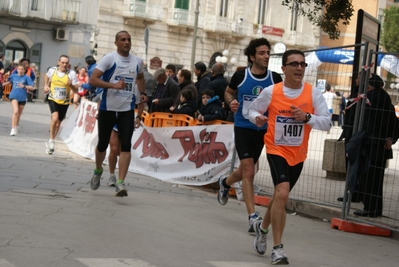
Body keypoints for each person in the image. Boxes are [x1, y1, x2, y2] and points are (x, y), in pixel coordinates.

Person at [248, 49, 330, 265]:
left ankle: (263, 229)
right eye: (294, 64)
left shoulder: (313, 93)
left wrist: (307, 117)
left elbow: (327, 122)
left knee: (278, 196)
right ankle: (278, 249)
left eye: (302, 64)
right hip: (276, 149)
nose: (299, 68)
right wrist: (257, 117)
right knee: (282, 193)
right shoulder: (271, 91)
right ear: (283, 69)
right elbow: (252, 110)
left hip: (298, 154)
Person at [217, 38, 283, 233]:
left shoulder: (275, 78)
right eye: (262, 53)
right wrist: (231, 103)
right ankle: (252, 216)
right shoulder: (241, 75)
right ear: (252, 56)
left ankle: (225, 182)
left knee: (246, 170)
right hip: (244, 127)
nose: (266, 56)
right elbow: (228, 93)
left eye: (268, 53)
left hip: (264, 131)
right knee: (249, 171)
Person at [89, 30, 147, 197]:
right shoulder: (110, 59)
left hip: (126, 111)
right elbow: (93, 80)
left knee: (126, 146)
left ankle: (120, 183)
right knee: (102, 144)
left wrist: (143, 93)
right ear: (116, 43)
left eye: (128, 39)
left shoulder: (137, 61)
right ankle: (98, 170)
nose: (126, 42)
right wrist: (114, 86)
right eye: (123, 40)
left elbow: (140, 77)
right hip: (108, 109)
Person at [350, 73, 399, 217]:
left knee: (368, 177)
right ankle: (375, 208)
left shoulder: (370, 99)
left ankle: (370, 208)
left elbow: (369, 123)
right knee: (376, 178)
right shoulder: (384, 98)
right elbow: (394, 122)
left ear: (369, 85)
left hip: (371, 143)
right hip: (382, 143)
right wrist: (391, 139)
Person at [108, 85, 145, 186]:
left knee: (123, 150)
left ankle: (121, 180)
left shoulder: (135, 86)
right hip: (113, 118)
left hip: (126, 119)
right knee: (114, 148)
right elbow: (102, 98)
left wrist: (138, 117)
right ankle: (112, 175)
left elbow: (141, 103)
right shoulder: (113, 82)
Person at [44, 55, 79, 155]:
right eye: (63, 62)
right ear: (58, 62)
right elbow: (46, 76)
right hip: (53, 98)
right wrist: (46, 85)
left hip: (64, 101)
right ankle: (51, 140)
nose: (64, 65)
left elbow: (76, 90)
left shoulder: (71, 74)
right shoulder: (52, 70)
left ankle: (52, 140)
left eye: (66, 63)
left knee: (58, 123)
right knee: (54, 119)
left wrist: (71, 85)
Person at [2, 64, 34, 135]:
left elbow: (32, 87)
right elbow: (10, 82)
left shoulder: (27, 77)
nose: (20, 71)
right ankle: (12, 129)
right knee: (15, 111)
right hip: (13, 96)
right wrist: (4, 84)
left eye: (22, 69)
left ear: (24, 70)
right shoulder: (13, 76)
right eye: (19, 69)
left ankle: (16, 125)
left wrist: (24, 86)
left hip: (22, 97)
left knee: (18, 114)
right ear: (17, 69)